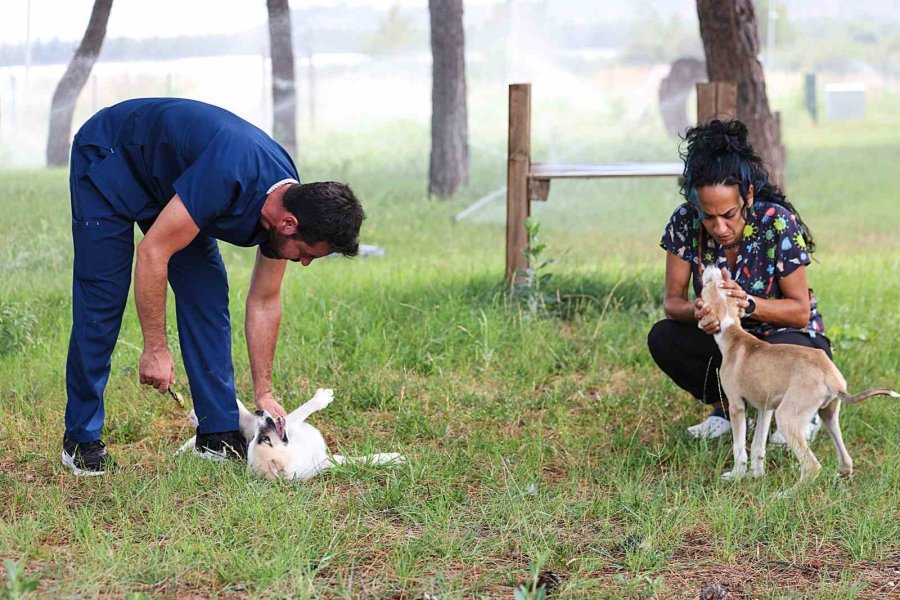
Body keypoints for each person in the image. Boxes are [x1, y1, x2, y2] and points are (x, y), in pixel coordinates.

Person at [62, 98, 365, 475]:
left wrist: (264, 393)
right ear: (288, 224)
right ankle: (81, 439)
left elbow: (265, 300)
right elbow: (153, 254)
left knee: (206, 291)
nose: (302, 262)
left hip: (173, 184)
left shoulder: (291, 202)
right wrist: (156, 349)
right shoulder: (228, 177)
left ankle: (218, 432)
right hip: (111, 156)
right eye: (306, 254)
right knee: (102, 298)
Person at [647, 119, 830, 441]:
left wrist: (748, 304)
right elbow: (672, 302)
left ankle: (803, 412)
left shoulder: (776, 222)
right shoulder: (684, 222)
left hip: (783, 337)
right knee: (664, 337)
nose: (718, 228)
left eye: (728, 215)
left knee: (792, 355)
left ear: (747, 195)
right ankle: (727, 409)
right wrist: (701, 311)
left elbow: (800, 312)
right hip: (727, 339)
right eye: (708, 216)